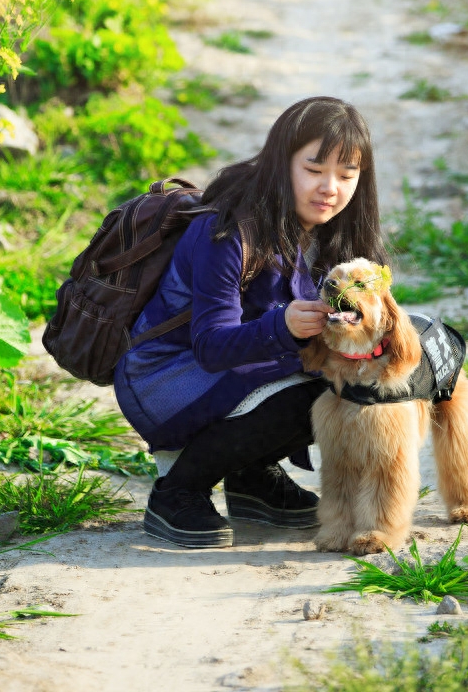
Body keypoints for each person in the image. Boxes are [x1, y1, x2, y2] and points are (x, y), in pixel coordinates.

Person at [114, 96, 388, 547]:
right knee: (323, 392)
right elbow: (211, 345)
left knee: (356, 378)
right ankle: (178, 491)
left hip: (240, 370)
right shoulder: (227, 231)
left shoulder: (332, 232)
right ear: (282, 164)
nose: (330, 188)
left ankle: (252, 477)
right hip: (168, 373)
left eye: (346, 174)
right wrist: (282, 328)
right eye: (314, 170)